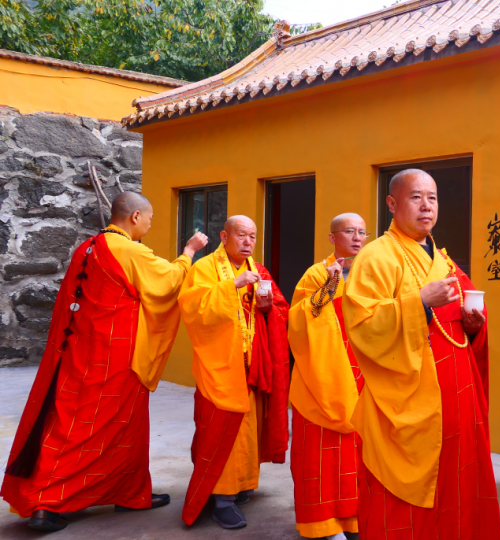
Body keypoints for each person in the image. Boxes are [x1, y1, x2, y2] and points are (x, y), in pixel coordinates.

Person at [0, 192, 207, 532]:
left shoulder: (88, 246)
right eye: (150, 220)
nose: (149, 227)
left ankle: (128, 491)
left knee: (92, 423)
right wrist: (189, 252)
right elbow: (169, 282)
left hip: (78, 354)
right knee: (85, 430)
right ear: (136, 217)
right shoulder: (129, 250)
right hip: (115, 358)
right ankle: (46, 500)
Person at [342, 170, 500, 539]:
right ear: (392, 204)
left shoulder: (441, 258)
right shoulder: (376, 257)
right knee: (406, 507)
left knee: (458, 489)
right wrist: (418, 303)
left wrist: (474, 324)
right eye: (416, 197)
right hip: (411, 401)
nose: (427, 205)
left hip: (456, 394)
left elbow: (465, 317)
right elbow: (364, 327)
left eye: (432, 197)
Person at [178, 215, 290, 530]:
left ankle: (241, 485)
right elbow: (192, 308)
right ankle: (221, 499)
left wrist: (268, 308)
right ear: (224, 236)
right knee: (219, 430)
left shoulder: (259, 270)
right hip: (220, 366)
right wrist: (231, 287)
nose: (248, 242)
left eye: (252, 236)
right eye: (241, 235)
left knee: (247, 432)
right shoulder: (204, 268)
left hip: (252, 366)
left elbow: (280, 310)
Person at [288, 213, 369, 540]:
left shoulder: (369, 273)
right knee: (321, 460)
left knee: (360, 457)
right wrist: (328, 287)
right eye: (349, 231)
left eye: (362, 231)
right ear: (332, 237)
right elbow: (297, 323)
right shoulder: (316, 274)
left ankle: (356, 520)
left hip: (363, 376)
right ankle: (325, 525)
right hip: (322, 379)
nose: (357, 237)